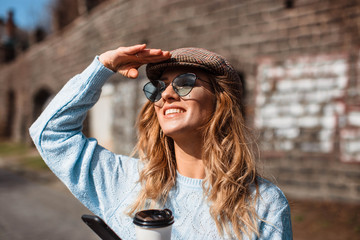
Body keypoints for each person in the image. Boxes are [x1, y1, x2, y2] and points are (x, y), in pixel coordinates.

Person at [30, 44, 292, 239]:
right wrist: (102, 67)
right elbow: (50, 133)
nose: (166, 94)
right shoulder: (127, 183)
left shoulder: (263, 204)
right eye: (159, 87)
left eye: (184, 82)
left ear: (220, 101)